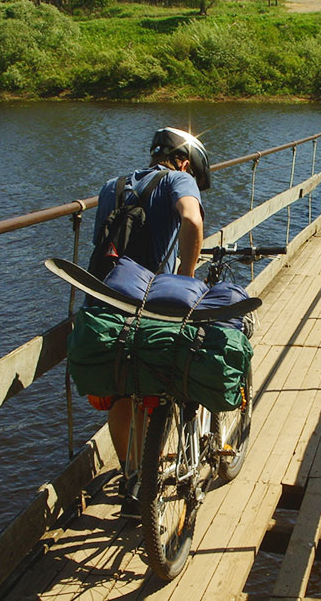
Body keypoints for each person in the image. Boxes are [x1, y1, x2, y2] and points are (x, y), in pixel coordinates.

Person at [92, 126, 210, 513]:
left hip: (107, 298)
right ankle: (148, 479)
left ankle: (130, 474)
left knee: (121, 388)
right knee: (156, 387)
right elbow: (191, 221)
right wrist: (187, 278)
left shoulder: (114, 184)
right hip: (148, 299)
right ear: (184, 161)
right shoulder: (178, 179)